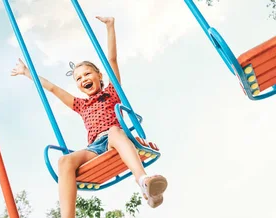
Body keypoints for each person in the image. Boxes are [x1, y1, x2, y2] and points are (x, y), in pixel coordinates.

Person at [10, 16, 168, 218]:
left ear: (99, 76)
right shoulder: (80, 104)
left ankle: (143, 181)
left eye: (87, 74)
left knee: (113, 130)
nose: (83, 79)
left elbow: (111, 60)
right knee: (64, 161)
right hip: (94, 148)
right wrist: (26, 72)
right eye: (79, 78)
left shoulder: (112, 91)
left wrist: (110, 27)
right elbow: (52, 88)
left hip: (116, 139)